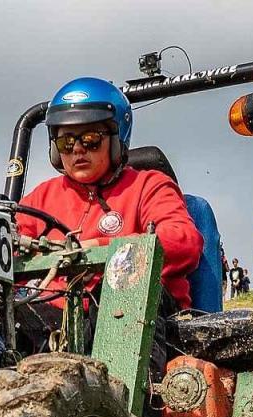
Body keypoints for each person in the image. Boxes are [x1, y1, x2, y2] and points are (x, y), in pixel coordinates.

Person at [15, 77, 204, 313]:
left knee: (120, 290)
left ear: (116, 140)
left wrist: (105, 250)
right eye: (66, 142)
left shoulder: (148, 186)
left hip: (137, 316)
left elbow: (183, 241)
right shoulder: (41, 198)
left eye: (90, 140)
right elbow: (9, 246)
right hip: (55, 314)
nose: (77, 149)